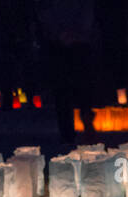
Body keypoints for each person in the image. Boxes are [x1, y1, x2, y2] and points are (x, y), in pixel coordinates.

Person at [38, 0, 97, 144]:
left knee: (81, 87)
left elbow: (87, 13)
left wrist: (76, 34)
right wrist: (59, 34)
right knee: (63, 90)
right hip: (60, 45)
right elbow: (44, 13)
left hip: (78, 44)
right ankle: (68, 132)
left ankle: (85, 124)